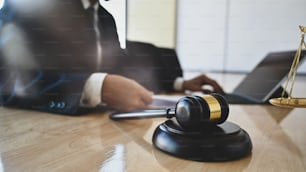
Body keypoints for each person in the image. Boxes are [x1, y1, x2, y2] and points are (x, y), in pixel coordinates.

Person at [0, 0, 224, 115]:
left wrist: (178, 83)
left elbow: (122, 71)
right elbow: (7, 80)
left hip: (95, 141)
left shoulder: (105, 18)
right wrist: (96, 87)